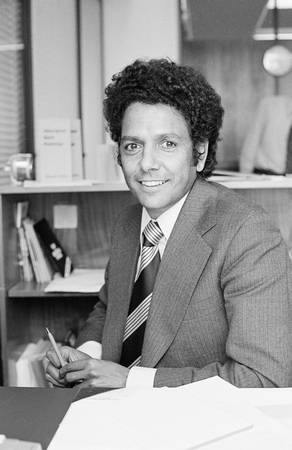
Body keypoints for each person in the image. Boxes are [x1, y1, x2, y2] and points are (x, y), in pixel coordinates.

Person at [44, 58, 292, 389]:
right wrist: (84, 357)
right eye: (133, 146)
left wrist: (131, 380)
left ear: (199, 153)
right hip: (115, 419)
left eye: (168, 144)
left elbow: (264, 378)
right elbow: (109, 308)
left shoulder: (247, 233)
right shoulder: (129, 222)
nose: (147, 163)